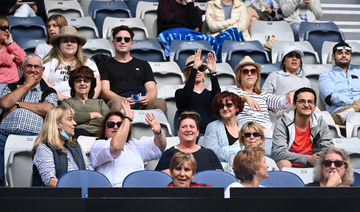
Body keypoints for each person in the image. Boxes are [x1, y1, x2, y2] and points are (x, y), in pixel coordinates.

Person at [0, 54, 57, 186]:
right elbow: (5, 104)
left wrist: (19, 104)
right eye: (29, 66)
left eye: (36, 66)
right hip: (5, 135)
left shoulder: (48, 92)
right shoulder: (11, 87)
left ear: (42, 70)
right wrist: (26, 85)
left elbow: (48, 109)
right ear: (22, 69)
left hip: (35, 137)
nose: (33, 70)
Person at [90, 100, 167, 187]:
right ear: (105, 130)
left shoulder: (134, 144)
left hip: (138, 192)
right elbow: (115, 148)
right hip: (114, 192)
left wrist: (159, 132)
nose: (115, 127)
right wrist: (127, 119)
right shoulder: (98, 145)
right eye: (111, 124)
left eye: (119, 124)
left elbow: (160, 146)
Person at [99, 25, 167, 115]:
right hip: (119, 102)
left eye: (126, 39)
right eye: (119, 39)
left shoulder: (143, 64)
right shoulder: (105, 65)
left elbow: (152, 89)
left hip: (141, 104)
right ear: (113, 42)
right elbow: (104, 91)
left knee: (160, 102)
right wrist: (123, 100)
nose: (123, 42)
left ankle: (159, 129)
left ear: (131, 43)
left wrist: (147, 98)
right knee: (117, 101)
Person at [272, 87, 333, 170]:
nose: (306, 105)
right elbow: (278, 152)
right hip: (290, 162)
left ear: (314, 106)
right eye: (302, 101)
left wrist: (322, 155)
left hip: (314, 164)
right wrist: (307, 159)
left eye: (310, 102)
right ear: (294, 104)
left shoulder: (320, 122)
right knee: (284, 163)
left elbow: (328, 147)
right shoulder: (282, 123)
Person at [32, 106, 93, 187]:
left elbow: (89, 172)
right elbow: (50, 181)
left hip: (79, 195)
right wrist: (76, 191)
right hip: (56, 197)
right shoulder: (43, 147)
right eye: (70, 119)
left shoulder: (75, 145)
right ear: (58, 124)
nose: (74, 123)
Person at [227, 55, 293, 129]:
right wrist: (244, 98)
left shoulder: (263, 94)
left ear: (257, 76)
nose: (249, 74)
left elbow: (282, 102)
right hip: (244, 131)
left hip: (265, 131)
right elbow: (226, 102)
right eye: (245, 71)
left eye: (253, 71)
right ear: (239, 76)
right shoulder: (232, 90)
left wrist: (291, 94)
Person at [43, 26, 101, 101]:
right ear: (59, 44)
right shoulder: (50, 62)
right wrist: (63, 98)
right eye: (65, 41)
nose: (69, 43)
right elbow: (44, 82)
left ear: (78, 45)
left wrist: (88, 101)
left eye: (73, 41)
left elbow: (97, 84)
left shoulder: (88, 62)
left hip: (85, 102)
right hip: (57, 102)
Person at [155, 111, 223, 175]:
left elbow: (219, 178)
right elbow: (161, 179)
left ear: (197, 132)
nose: (188, 130)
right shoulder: (168, 154)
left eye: (192, 126)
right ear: (178, 132)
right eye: (184, 127)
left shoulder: (209, 154)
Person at [175, 49, 220, 134]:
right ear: (188, 73)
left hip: (211, 133)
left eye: (201, 68)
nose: (198, 72)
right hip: (190, 134)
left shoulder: (210, 94)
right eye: (195, 69)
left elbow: (218, 100)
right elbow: (187, 95)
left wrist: (213, 73)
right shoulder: (180, 93)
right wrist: (194, 69)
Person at [61, 66, 110, 138]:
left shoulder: (100, 102)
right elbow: (68, 119)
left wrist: (81, 120)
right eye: (78, 80)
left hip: (100, 135)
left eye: (86, 81)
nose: (82, 83)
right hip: (78, 135)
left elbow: (108, 121)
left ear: (91, 84)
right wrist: (94, 115)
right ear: (73, 84)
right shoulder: (66, 102)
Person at [262, 46, 310, 117]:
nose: (294, 58)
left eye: (297, 57)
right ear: (284, 61)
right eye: (290, 56)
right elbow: (263, 97)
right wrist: (285, 98)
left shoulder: (305, 80)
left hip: (304, 109)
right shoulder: (275, 75)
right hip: (281, 111)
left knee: (318, 112)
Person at [319, 42, 360, 125]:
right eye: (340, 53)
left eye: (347, 53)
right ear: (333, 56)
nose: (344, 55)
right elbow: (332, 97)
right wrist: (353, 102)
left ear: (351, 56)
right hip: (339, 113)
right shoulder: (326, 75)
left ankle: (354, 109)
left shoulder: (358, 73)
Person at [203, 91, 244, 163]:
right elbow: (212, 150)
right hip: (223, 167)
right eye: (221, 106)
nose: (225, 108)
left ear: (237, 107)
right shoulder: (212, 126)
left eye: (229, 105)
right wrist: (235, 158)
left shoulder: (245, 126)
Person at [0, 16, 26, 83]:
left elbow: (24, 60)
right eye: (3, 28)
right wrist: (11, 57)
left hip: (13, 85)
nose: (7, 31)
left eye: (7, 28)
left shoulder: (10, 47)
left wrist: (11, 43)